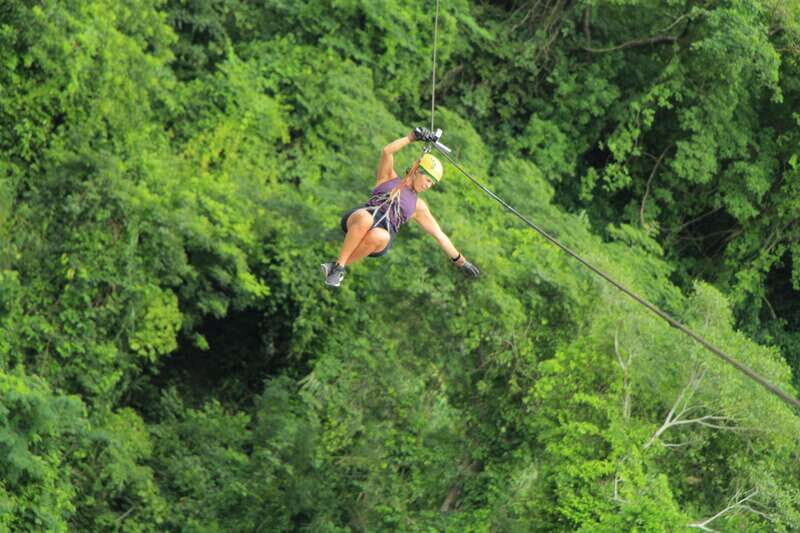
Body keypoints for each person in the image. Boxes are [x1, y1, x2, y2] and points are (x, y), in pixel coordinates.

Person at [321, 127, 480, 287]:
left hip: (383, 234)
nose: (428, 186)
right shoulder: (388, 177)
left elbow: (440, 235)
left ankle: (336, 267)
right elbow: (387, 152)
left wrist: (462, 262)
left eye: (432, 184)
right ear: (417, 171)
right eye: (428, 180)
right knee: (365, 219)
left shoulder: (419, 207)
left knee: (380, 236)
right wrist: (411, 137)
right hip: (360, 218)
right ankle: (338, 267)